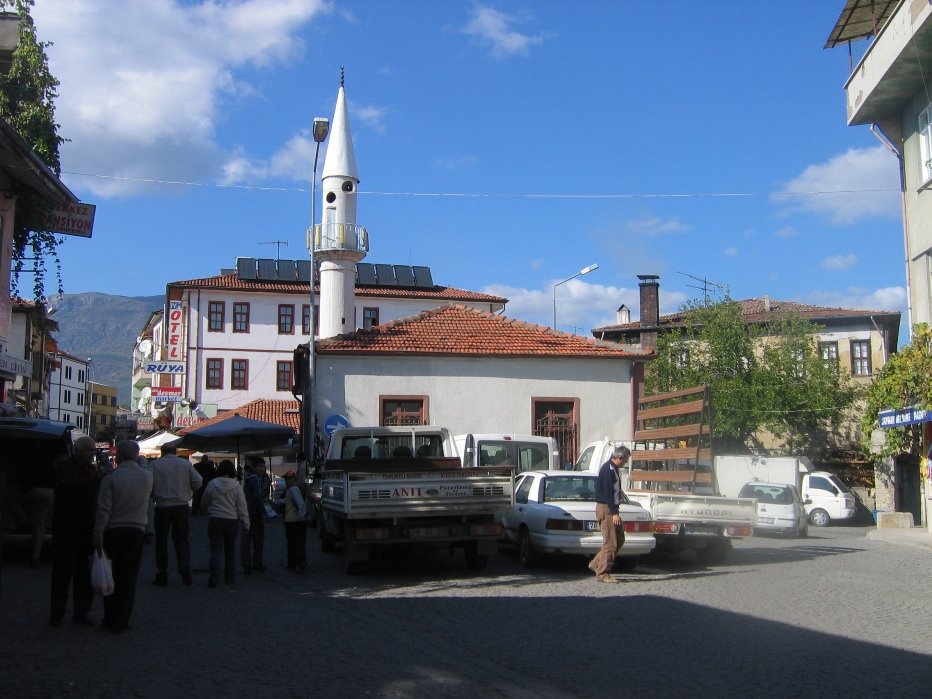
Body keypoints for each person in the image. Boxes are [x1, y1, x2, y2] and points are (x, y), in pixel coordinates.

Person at [92, 440, 153, 633]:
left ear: (118, 455)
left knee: (112, 574)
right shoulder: (147, 477)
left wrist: (98, 532)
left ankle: (110, 617)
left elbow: (103, 508)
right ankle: (123, 618)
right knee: (129, 577)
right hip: (136, 530)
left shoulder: (111, 478)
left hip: (113, 530)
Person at [49, 436, 100, 627]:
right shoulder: (65, 468)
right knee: (63, 572)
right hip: (67, 526)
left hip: (85, 527)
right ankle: (57, 614)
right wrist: (95, 481)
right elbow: (69, 487)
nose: (92, 455)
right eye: (90, 451)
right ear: (81, 451)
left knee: (83, 573)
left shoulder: (90, 469)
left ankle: (81, 612)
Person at [149, 442, 202, 586]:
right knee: (182, 540)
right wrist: (189, 490)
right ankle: (185, 569)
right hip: (181, 507)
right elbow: (198, 482)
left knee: (161, 541)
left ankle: (162, 574)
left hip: (162, 506)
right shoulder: (185, 464)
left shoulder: (155, 465)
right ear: (176, 451)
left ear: (162, 452)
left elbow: (149, 484)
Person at [200, 459, 249, 588]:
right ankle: (230, 577)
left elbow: (204, 501)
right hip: (232, 521)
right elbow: (242, 507)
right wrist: (246, 523)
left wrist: (205, 510)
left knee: (215, 550)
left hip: (215, 518)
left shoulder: (212, 484)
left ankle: (214, 578)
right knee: (230, 550)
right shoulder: (237, 486)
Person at [588, 445, 629, 583]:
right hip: (607, 509)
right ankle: (603, 573)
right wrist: (614, 513)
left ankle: (596, 563)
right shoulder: (608, 470)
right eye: (626, 459)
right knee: (611, 542)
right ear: (620, 457)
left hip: (610, 508)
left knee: (619, 538)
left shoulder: (614, 469)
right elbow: (608, 493)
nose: (626, 463)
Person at [273, 470, 308, 573]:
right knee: (293, 544)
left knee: (297, 544)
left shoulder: (293, 489)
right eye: (286, 479)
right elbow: (287, 501)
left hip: (295, 521)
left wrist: (301, 517)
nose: (287, 481)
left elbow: (301, 504)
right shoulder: (290, 490)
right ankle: (294, 563)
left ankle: (300, 564)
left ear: (294, 479)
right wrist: (277, 502)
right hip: (291, 521)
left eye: (289, 479)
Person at [240, 458, 269, 575]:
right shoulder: (255, 479)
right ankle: (256, 563)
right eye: (260, 466)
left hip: (246, 513)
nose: (262, 468)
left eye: (263, 466)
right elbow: (257, 497)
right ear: (255, 467)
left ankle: (247, 564)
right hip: (254, 514)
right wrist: (263, 511)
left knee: (246, 540)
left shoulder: (249, 479)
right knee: (258, 540)